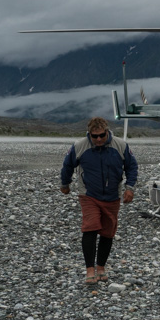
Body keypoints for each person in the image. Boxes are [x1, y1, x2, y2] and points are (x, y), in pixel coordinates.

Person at [60, 117, 138, 284]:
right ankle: (90, 270)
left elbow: (131, 166)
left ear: (107, 131)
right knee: (90, 227)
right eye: (94, 136)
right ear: (89, 134)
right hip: (88, 194)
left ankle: (101, 267)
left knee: (107, 232)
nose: (98, 139)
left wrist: (129, 188)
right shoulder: (79, 146)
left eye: (101, 135)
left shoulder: (120, 145)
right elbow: (67, 165)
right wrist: (65, 184)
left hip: (112, 195)